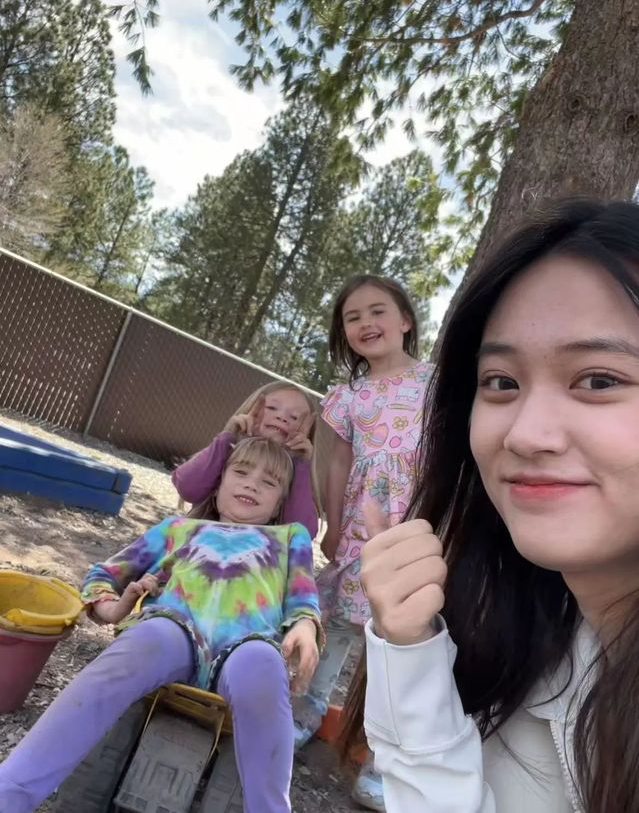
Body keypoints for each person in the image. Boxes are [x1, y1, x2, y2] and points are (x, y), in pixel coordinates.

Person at [348, 198, 639, 812]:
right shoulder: (527, 651)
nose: (525, 435)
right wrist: (410, 648)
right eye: (502, 382)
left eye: (599, 380)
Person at [0, 436, 323, 813]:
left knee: (263, 669)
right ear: (218, 483)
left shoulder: (289, 537)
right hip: (174, 626)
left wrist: (306, 624)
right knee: (137, 647)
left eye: (269, 482)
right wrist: (112, 608)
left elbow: (303, 594)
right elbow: (104, 573)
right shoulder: (177, 529)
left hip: (249, 641)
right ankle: (10, 793)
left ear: (280, 503)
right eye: (241, 472)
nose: (252, 484)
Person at [293, 274, 433, 811]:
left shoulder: (438, 382)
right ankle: (306, 713)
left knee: (403, 637)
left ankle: (381, 758)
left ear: (405, 320)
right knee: (341, 626)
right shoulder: (348, 396)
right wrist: (333, 521)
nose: (366, 323)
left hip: (420, 522)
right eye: (352, 318)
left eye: (378, 311)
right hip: (361, 523)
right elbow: (339, 464)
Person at [173, 380, 321, 538]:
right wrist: (227, 437)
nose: (281, 417)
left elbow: (303, 532)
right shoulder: (226, 451)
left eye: (294, 417)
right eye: (272, 408)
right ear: (252, 408)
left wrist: (300, 463)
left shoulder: (295, 476)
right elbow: (187, 488)